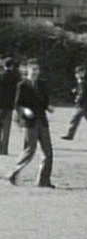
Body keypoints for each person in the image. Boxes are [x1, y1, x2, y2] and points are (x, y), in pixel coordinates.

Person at [7, 58, 55, 188]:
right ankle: (13, 173)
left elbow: (45, 101)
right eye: (33, 69)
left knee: (48, 151)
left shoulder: (42, 84)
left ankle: (44, 180)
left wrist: (48, 107)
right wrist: (24, 111)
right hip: (29, 122)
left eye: (37, 69)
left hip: (42, 120)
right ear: (27, 70)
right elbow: (17, 104)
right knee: (30, 149)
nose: (35, 72)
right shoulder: (22, 85)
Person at [61, 65, 87, 140]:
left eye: (79, 73)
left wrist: (78, 98)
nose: (77, 75)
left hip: (83, 105)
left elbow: (83, 92)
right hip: (84, 105)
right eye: (77, 73)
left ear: (83, 73)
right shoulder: (84, 82)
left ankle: (70, 135)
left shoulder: (83, 82)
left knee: (77, 119)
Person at [0, 57, 21, 155]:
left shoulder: (1, 75)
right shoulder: (16, 77)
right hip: (9, 105)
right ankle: (4, 149)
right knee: (7, 129)